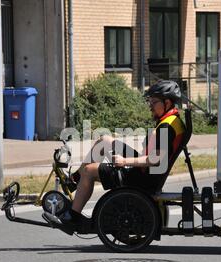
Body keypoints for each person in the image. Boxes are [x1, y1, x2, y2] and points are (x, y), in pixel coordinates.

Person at [43, 80, 187, 235]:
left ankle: (73, 216)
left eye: (154, 102)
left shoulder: (166, 127)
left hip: (144, 176)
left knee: (89, 171)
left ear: (167, 102)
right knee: (104, 141)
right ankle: (74, 180)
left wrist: (124, 161)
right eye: (149, 101)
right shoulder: (172, 120)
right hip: (147, 170)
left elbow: (155, 160)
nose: (150, 105)